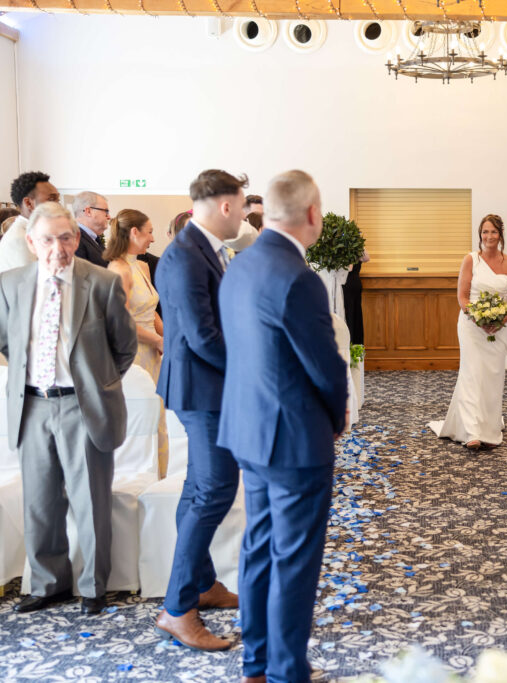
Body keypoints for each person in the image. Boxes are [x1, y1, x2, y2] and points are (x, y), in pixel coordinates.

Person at [218, 170, 349, 683]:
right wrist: (336, 418)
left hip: (248, 430)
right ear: (313, 214)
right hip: (293, 438)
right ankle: (287, 672)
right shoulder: (299, 277)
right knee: (293, 561)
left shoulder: (239, 266)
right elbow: (327, 366)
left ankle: (257, 663)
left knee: (259, 547)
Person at [0, 202, 137, 615]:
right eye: (46, 239)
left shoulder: (101, 283)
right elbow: (8, 343)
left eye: (64, 237)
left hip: (83, 405)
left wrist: (97, 382)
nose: (56, 248)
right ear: (30, 242)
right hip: (33, 405)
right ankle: (46, 584)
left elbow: (125, 347)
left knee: (90, 501)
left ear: (76, 238)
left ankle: (93, 587)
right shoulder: (10, 284)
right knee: (39, 503)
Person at [154, 170, 248, 651]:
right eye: (244, 205)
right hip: (203, 388)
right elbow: (202, 337)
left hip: (204, 386)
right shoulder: (187, 255)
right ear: (226, 205)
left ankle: (204, 585)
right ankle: (177, 609)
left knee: (198, 489)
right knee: (214, 490)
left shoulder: (203, 249)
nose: (248, 214)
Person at [430, 214, 507, 450]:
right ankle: (471, 431)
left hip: (499, 328)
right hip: (471, 326)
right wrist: (478, 318)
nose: (488, 237)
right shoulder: (471, 260)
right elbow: (462, 296)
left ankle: (488, 424)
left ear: (500, 235)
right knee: (472, 373)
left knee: (492, 374)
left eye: (493, 232)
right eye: (484, 232)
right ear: (480, 235)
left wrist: (502, 320)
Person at [104, 210, 163, 381]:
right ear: (134, 232)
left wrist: (166, 337)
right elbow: (122, 322)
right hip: (134, 351)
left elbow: (151, 311)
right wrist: (157, 340)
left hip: (153, 349)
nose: (153, 239)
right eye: (150, 232)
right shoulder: (119, 270)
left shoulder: (142, 266)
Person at [0, 171, 60, 273]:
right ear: (28, 203)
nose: (58, 205)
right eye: (51, 199)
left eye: (57, 200)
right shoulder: (20, 239)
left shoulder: (35, 231)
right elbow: (30, 285)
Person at [72, 191, 110, 267]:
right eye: (106, 211)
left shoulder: (94, 239)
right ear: (88, 211)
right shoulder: (75, 240)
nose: (109, 217)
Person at [341, 248, 370, 345]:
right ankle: (356, 345)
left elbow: (349, 268)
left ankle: (351, 345)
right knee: (354, 316)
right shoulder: (357, 247)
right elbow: (366, 258)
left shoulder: (348, 247)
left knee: (350, 317)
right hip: (355, 284)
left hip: (348, 284)